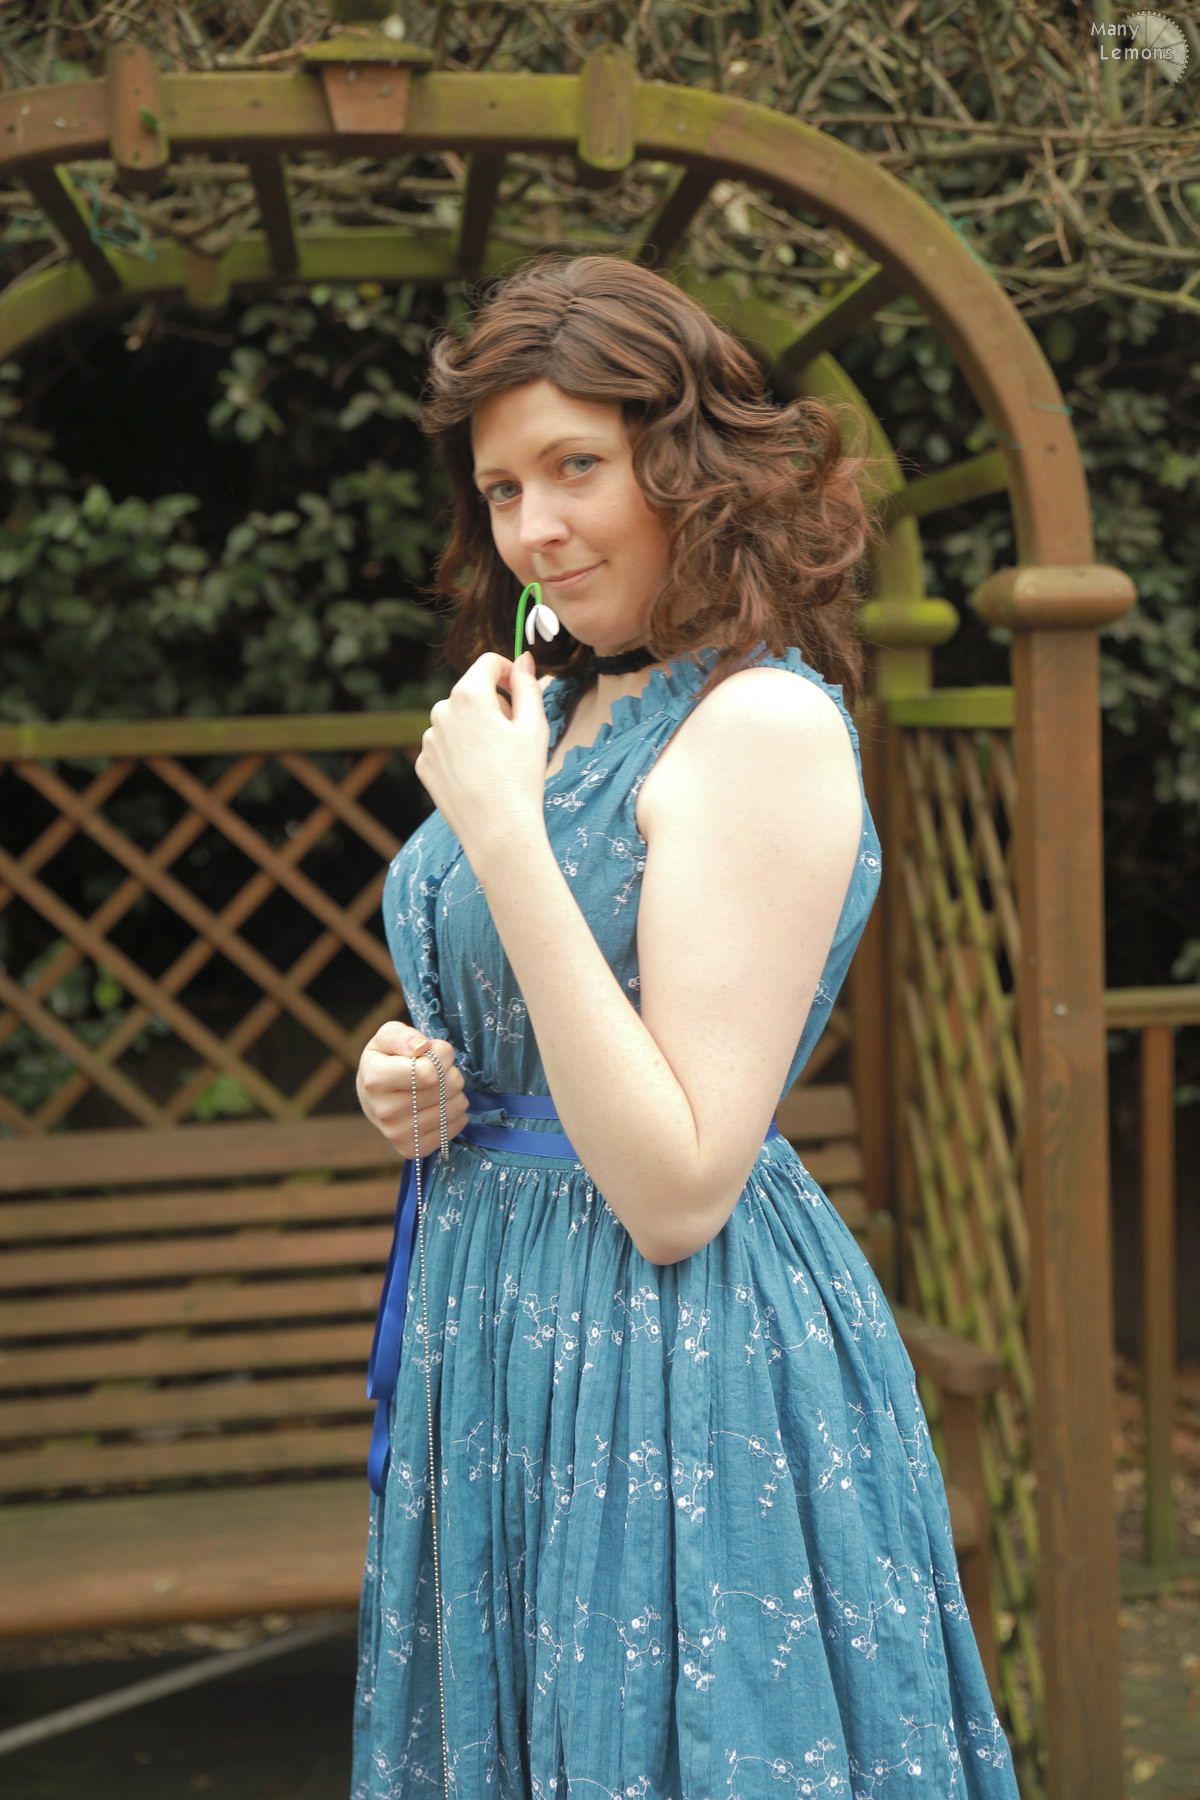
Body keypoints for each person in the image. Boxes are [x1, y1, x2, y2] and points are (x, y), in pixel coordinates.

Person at [351, 256, 1019, 1800]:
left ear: (686, 464)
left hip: (668, 1360)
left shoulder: (759, 726)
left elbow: (678, 1187)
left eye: (576, 466)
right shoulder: (559, 698)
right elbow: (537, 1010)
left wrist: (505, 835)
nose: (535, 526)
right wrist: (421, 1075)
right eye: (503, 487)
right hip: (495, 1325)